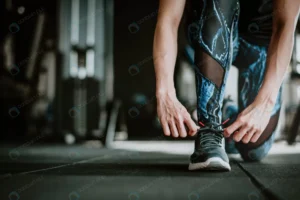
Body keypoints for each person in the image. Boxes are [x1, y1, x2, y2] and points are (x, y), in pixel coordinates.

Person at [153, 0, 300, 171]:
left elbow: (285, 25)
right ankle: (210, 129)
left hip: (261, 44)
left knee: (254, 149)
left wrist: (265, 104)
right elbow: (168, 19)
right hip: (209, 28)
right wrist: (165, 94)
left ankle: (227, 115)